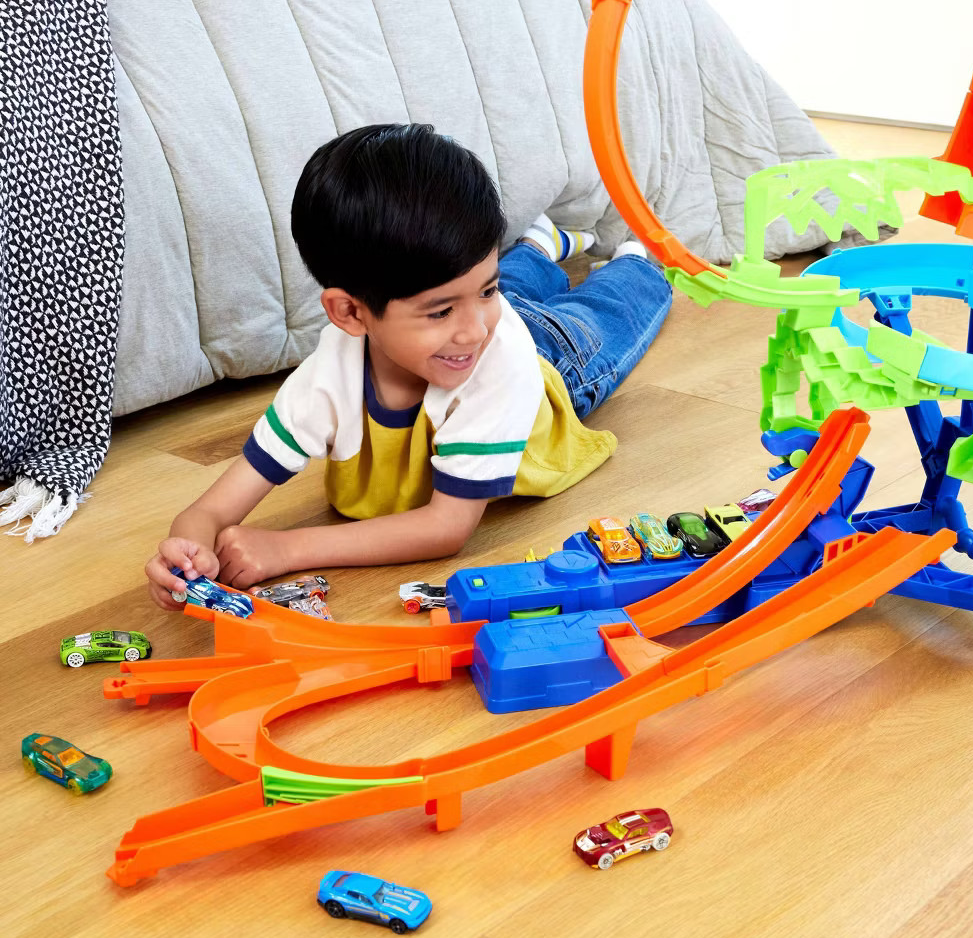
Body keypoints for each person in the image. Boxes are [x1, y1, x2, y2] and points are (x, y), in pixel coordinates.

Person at [146, 123, 672, 610]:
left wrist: (285, 548)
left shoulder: (498, 356)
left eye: (483, 289)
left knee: (610, 308)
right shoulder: (327, 378)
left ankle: (629, 259)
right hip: (472, 343)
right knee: (500, 293)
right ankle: (537, 248)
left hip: (547, 357)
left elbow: (447, 527)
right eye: (439, 311)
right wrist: (187, 556)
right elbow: (209, 511)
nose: (474, 328)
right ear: (351, 313)